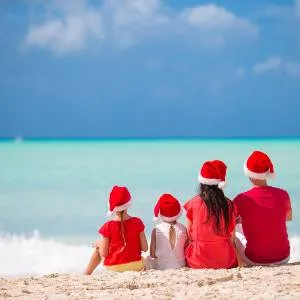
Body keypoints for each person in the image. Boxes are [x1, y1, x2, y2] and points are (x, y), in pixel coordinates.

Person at [234, 150, 293, 266]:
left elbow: (230, 225)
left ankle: (240, 264)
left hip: (255, 260)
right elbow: (288, 217)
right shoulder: (283, 194)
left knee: (235, 233)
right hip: (283, 257)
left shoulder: (240, 199)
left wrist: (244, 220)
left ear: (248, 174)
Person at [184, 160, 238, 269]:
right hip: (225, 260)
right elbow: (232, 237)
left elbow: (189, 234)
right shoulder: (228, 204)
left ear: (202, 182)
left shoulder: (193, 203)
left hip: (198, 260)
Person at [84, 186, 148, 274]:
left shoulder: (107, 226)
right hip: (135, 266)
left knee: (98, 248)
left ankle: (86, 273)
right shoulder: (138, 222)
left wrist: (99, 244)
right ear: (128, 204)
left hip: (114, 268)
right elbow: (145, 248)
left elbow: (104, 254)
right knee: (144, 261)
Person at [148, 193, 187, 270]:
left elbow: (152, 255)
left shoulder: (156, 230)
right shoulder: (183, 229)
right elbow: (186, 249)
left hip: (162, 266)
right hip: (181, 264)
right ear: (179, 212)